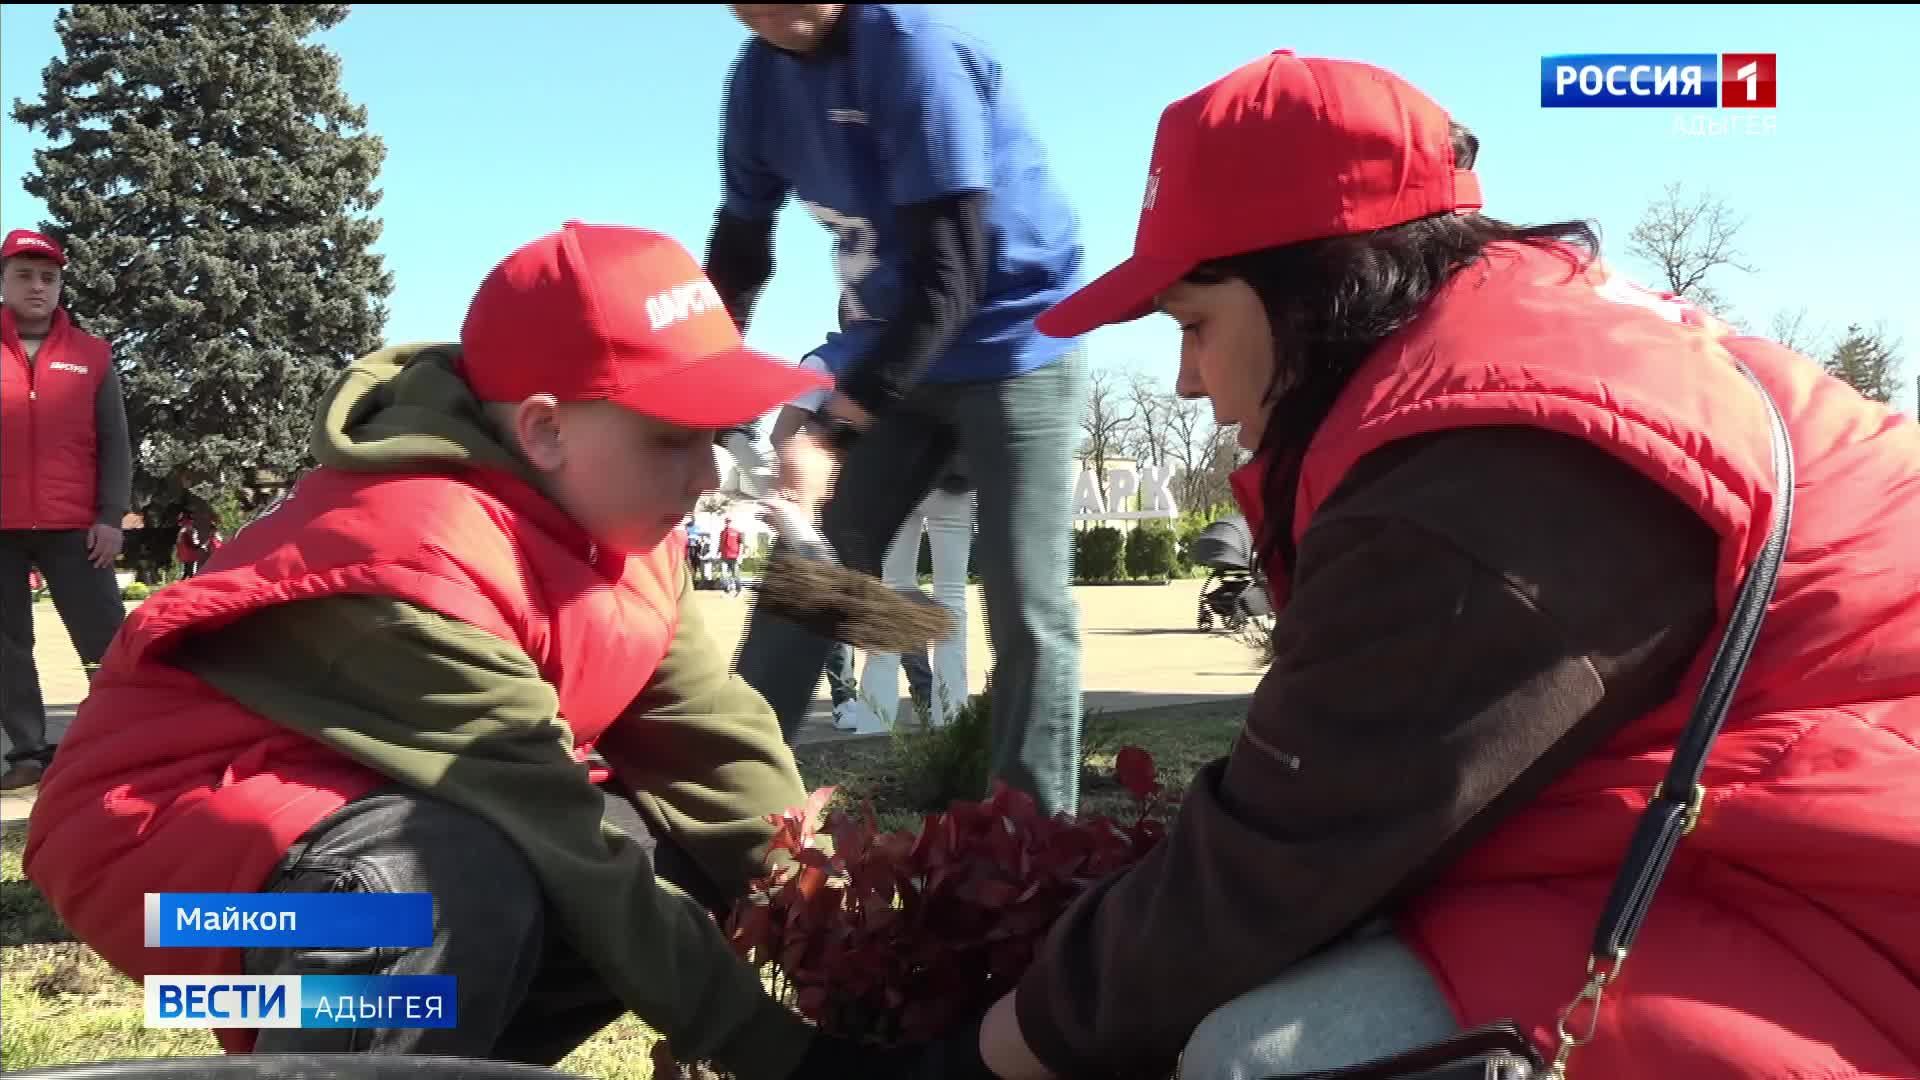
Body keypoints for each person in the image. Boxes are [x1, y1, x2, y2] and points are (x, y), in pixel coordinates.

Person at [952, 51, 1920, 1080]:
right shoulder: (1527, 355)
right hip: (1778, 835)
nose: (1186, 379)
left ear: (1316, 289)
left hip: (1856, 901)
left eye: (1194, 324)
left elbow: (1269, 867)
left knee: (1260, 1059)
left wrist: (980, 1054)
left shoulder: (1487, 479)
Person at [23, 223, 943, 1079]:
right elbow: (566, 839)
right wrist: (801, 1063)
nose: (707, 476)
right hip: (162, 882)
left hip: (339, 830)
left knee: (660, 863)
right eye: (672, 438)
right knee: (435, 887)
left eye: (713, 437)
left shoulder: (621, 527)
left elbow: (716, 753)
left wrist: (863, 952)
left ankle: (426, 1049)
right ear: (544, 429)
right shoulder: (411, 560)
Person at [708, 3, 1090, 817]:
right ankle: (725, 813)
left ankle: (1034, 847)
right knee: (811, 572)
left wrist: (833, 431)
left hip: (1013, 341)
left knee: (1026, 600)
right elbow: (740, 247)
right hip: (893, 344)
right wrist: (701, 386)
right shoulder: (758, 80)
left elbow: (951, 285)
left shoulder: (914, 54)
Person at [0, 227, 131, 791]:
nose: (37, 286)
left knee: (107, 642)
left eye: (48, 277)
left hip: (79, 529)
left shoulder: (92, 355)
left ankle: (122, 742)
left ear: (60, 287)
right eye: (25, 275)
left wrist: (111, 516)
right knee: (6, 648)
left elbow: (115, 442)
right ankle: (28, 752)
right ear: (3, 281)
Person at [862, 456, 975, 727]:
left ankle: (874, 722)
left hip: (893, 473)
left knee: (891, 592)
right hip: (951, 476)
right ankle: (950, 717)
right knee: (951, 596)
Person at [719, 517, 746, 594]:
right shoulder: (722, 532)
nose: (728, 523)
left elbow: (741, 544)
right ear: (725, 522)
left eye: (729, 521)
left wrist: (740, 556)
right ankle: (726, 589)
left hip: (734, 557)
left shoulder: (737, 531)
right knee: (724, 574)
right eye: (727, 521)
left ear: (732, 522)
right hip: (724, 556)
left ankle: (738, 589)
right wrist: (719, 552)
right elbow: (721, 544)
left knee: (735, 574)